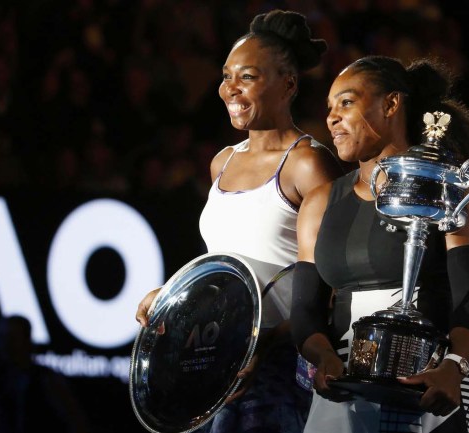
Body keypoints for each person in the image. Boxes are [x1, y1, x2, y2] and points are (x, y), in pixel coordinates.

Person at [135, 9, 345, 433]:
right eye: (227, 75)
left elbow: (333, 284)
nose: (230, 88)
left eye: (247, 76)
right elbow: (225, 272)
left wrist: (266, 342)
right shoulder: (221, 163)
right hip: (221, 361)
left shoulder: (307, 164)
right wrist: (174, 299)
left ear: (287, 84)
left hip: (283, 365)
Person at [290, 55, 469, 432]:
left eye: (347, 102)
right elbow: (305, 308)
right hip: (342, 398)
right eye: (329, 108)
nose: (332, 117)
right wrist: (323, 357)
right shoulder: (320, 202)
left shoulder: (448, 189)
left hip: (430, 388)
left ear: (391, 104)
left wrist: (452, 368)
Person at [0, 315, 90, 433]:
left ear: (27, 340)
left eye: (12, 338)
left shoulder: (49, 380)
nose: (5, 344)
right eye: (1, 338)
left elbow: (76, 422)